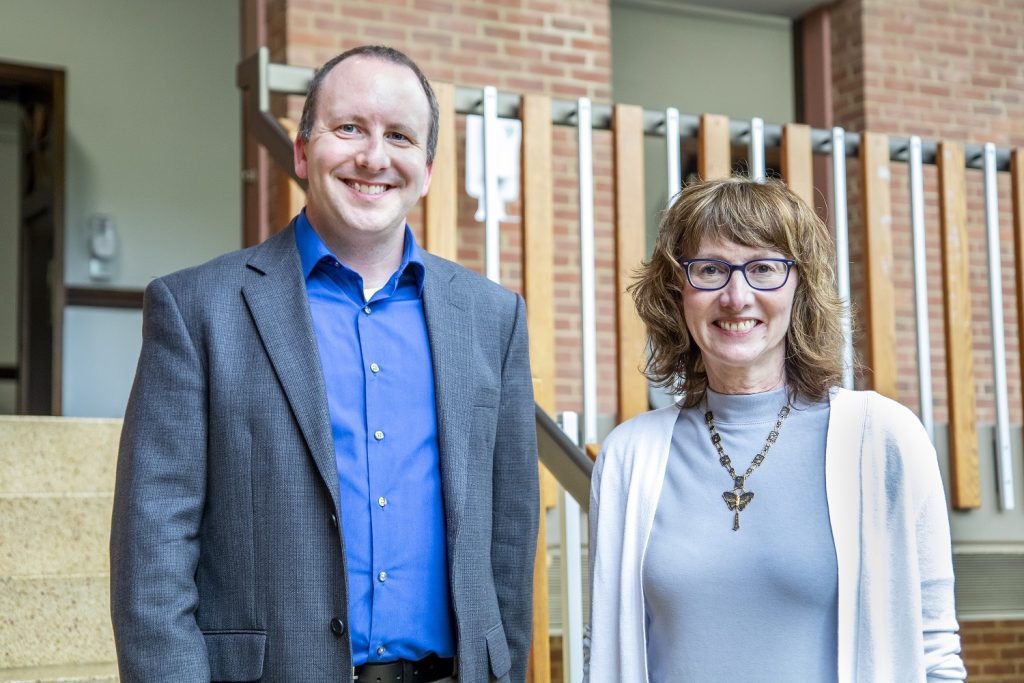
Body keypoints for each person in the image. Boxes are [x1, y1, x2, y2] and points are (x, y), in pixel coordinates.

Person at [110, 45, 538, 683]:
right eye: (349, 128)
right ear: (303, 151)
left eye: (399, 135)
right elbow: (153, 558)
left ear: (425, 168)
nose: (373, 156)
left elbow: (508, 540)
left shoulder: (491, 317)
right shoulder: (197, 309)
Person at [583, 176, 965, 681]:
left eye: (763, 268)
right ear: (678, 291)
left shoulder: (883, 439)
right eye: (710, 270)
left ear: (799, 288)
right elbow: (603, 652)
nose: (736, 296)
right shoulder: (629, 455)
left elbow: (933, 651)